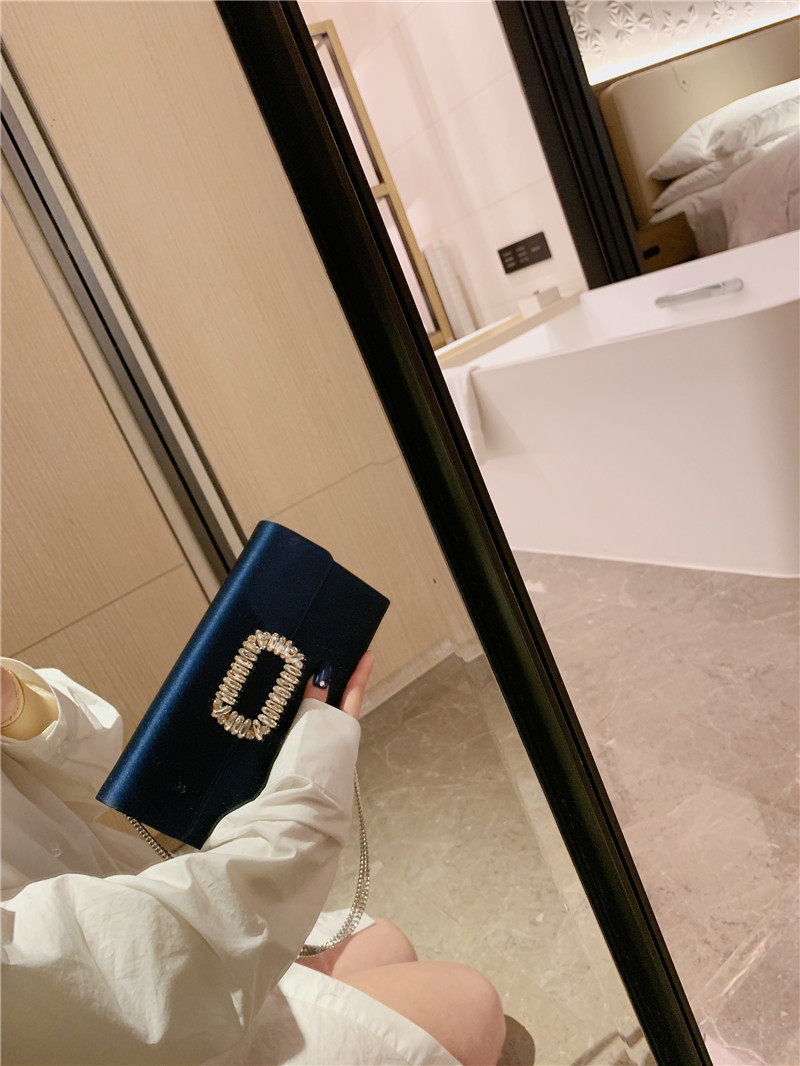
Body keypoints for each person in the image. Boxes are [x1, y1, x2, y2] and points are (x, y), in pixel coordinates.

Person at [1, 654, 506, 1065]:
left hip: (150, 952)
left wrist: (18, 706)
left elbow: (93, 768)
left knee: (384, 940)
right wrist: (307, 794)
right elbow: (131, 968)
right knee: (470, 1004)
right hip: (132, 1014)